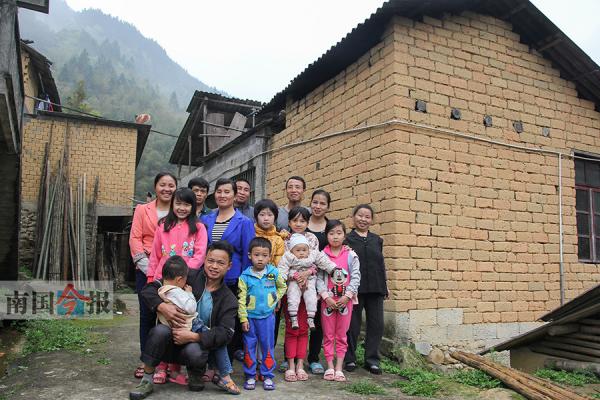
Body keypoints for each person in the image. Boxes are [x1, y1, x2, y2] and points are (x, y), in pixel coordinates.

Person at [130, 241, 241, 399]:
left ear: (229, 266)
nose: (214, 266)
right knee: (159, 331)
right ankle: (146, 380)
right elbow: (150, 289)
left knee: (195, 352)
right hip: (169, 340)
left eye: (220, 263)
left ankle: (196, 373)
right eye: (210, 261)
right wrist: (162, 306)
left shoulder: (229, 299)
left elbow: (225, 333)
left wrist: (194, 336)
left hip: (196, 347)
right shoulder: (188, 277)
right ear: (204, 260)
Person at [201, 178, 255, 362]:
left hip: (233, 280)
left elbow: (248, 254)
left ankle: (224, 365)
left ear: (234, 195)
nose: (222, 195)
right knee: (208, 320)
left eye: (227, 192)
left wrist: (245, 282)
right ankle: (208, 363)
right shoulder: (206, 219)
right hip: (208, 278)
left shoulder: (244, 222)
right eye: (219, 191)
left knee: (228, 323)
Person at [129, 172, 177, 379]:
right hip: (146, 268)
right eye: (162, 185)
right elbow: (135, 238)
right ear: (155, 187)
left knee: (170, 316)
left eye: (171, 185)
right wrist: (148, 267)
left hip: (173, 272)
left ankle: (167, 363)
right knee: (147, 315)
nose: (167, 189)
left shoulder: (179, 209)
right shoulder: (142, 209)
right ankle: (146, 360)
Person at [344, 205, 389, 375]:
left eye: (367, 217)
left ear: (372, 220)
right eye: (360, 215)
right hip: (355, 289)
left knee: (377, 325)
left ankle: (372, 360)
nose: (363, 219)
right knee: (352, 325)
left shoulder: (377, 240)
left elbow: (380, 264)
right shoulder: (347, 240)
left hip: (376, 287)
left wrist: (385, 285)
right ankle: (350, 358)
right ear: (353, 217)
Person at [238, 237, 287, 391]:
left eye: (264, 255)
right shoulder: (245, 277)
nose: (260, 259)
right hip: (250, 318)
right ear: (249, 255)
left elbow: (282, 287)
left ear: (269, 257)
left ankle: (267, 375)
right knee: (249, 346)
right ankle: (250, 375)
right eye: (256, 255)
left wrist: (274, 298)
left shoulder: (273, 273)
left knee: (267, 346)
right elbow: (241, 299)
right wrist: (243, 318)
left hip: (267, 317)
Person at [317, 220, 361, 382]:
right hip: (327, 302)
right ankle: (329, 366)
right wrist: (326, 296)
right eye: (331, 233)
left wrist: (347, 295)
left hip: (345, 302)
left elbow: (356, 277)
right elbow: (319, 278)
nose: (335, 237)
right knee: (328, 335)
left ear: (344, 235)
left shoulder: (351, 255)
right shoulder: (322, 256)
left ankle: (339, 368)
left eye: (339, 233)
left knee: (342, 335)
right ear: (326, 235)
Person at [146, 187, 207, 283]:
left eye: (186, 205)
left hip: (186, 279)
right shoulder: (163, 225)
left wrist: (183, 273)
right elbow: (155, 254)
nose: (182, 208)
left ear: (193, 206)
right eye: (178, 204)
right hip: (162, 277)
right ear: (172, 204)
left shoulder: (199, 227)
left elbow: (200, 255)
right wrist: (151, 276)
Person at [155, 256, 197, 385]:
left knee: (165, 345)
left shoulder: (162, 290)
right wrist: (189, 293)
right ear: (179, 280)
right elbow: (191, 308)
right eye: (185, 279)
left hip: (166, 325)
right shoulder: (177, 292)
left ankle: (162, 369)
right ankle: (174, 372)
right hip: (181, 326)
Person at [278, 234, 335, 330]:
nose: (301, 253)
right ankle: (293, 317)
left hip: (310, 279)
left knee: (311, 297)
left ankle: (311, 318)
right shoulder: (288, 256)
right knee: (292, 296)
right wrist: (282, 278)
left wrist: (333, 268)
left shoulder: (312, 254)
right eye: (298, 250)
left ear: (308, 249)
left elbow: (322, 260)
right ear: (292, 251)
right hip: (294, 279)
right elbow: (282, 267)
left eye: (304, 250)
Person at [305, 189, 331, 375]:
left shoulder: (331, 227)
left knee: (318, 321)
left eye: (322, 203)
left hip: (323, 280)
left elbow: (339, 244)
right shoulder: (301, 223)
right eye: (315, 202)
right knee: (297, 318)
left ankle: (313, 358)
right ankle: (292, 357)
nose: (318, 206)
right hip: (301, 279)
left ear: (328, 206)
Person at [253, 199, 285, 266]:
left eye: (270, 215)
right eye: (262, 215)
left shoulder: (278, 240)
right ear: (256, 217)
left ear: (275, 217)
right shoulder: (251, 235)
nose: (266, 218)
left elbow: (279, 263)